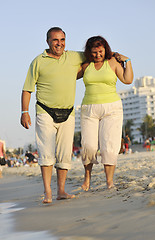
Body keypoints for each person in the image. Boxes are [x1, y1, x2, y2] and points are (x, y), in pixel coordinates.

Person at [20, 27, 85, 203]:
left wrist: (115, 55)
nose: (59, 43)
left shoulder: (73, 57)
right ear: (47, 41)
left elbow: (94, 54)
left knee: (64, 154)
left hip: (68, 112)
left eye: (62, 39)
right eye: (55, 40)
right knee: (46, 152)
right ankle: (48, 191)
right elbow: (27, 89)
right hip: (45, 111)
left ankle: (61, 191)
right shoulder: (38, 61)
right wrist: (24, 112)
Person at [77, 36, 133, 190]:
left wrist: (127, 61)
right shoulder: (86, 65)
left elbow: (127, 80)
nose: (97, 55)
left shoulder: (113, 62)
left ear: (105, 49)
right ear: (89, 52)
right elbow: (68, 77)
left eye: (100, 51)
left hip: (112, 109)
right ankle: (87, 178)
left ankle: (109, 181)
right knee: (88, 146)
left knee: (109, 146)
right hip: (89, 109)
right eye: (94, 52)